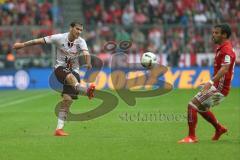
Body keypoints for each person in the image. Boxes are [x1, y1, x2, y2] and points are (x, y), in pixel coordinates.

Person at [13, 21, 96, 136]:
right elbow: (39, 40)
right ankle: (86, 90)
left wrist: (88, 63)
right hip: (60, 68)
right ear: (71, 28)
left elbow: (86, 53)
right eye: (77, 29)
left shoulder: (81, 41)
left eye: (81, 30)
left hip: (74, 71)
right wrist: (23, 45)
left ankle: (59, 129)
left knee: (67, 100)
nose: (79, 32)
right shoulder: (59, 38)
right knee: (71, 77)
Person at [178, 24, 236, 143]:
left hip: (220, 88)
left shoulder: (226, 49)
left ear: (224, 35)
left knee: (192, 105)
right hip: (218, 86)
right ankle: (219, 128)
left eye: (216, 33)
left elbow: (225, 69)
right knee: (200, 107)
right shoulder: (222, 48)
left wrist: (210, 83)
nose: (213, 35)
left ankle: (192, 137)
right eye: (213, 32)